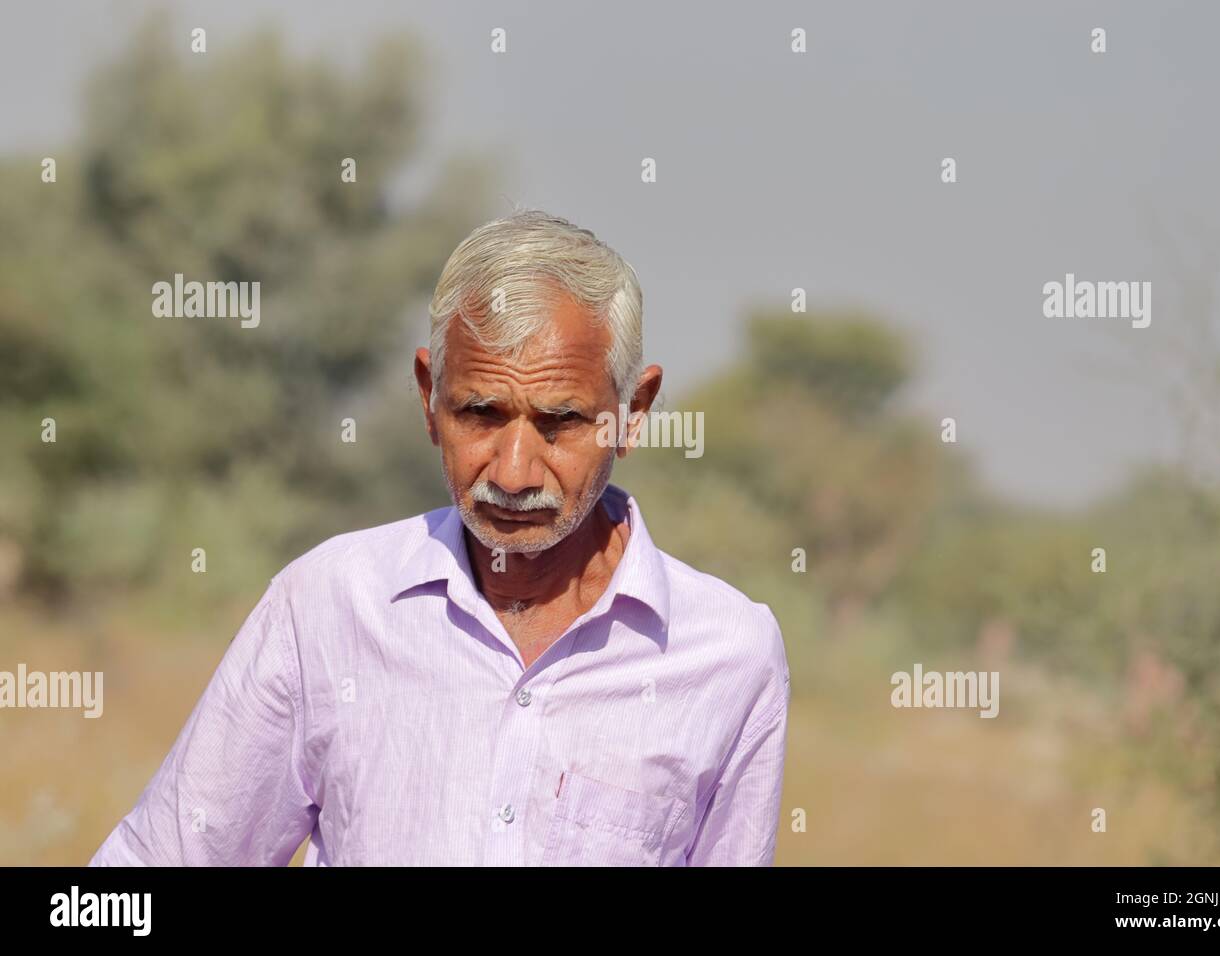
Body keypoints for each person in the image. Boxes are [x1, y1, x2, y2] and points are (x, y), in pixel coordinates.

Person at [89, 209, 790, 866]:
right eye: (480, 413)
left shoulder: (729, 657)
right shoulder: (328, 606)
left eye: (559, 422)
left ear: (633, 412)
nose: (514, 473)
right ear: (429, 396)